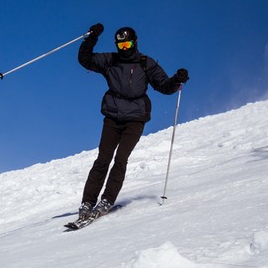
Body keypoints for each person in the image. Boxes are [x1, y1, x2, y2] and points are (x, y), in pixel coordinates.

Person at [76, 23, 189, 221]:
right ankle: (87, 201)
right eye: (121, 46)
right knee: (103, 158)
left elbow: (163, 86)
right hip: (113, 116)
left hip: (135, 119)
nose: (124, 49)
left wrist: (176, 80)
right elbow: (85, 60)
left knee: (121, 158)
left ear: (134, 43)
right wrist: (92, 37)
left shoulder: (146, 63)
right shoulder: (110, 60)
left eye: (127, 45)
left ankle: (107, 200)